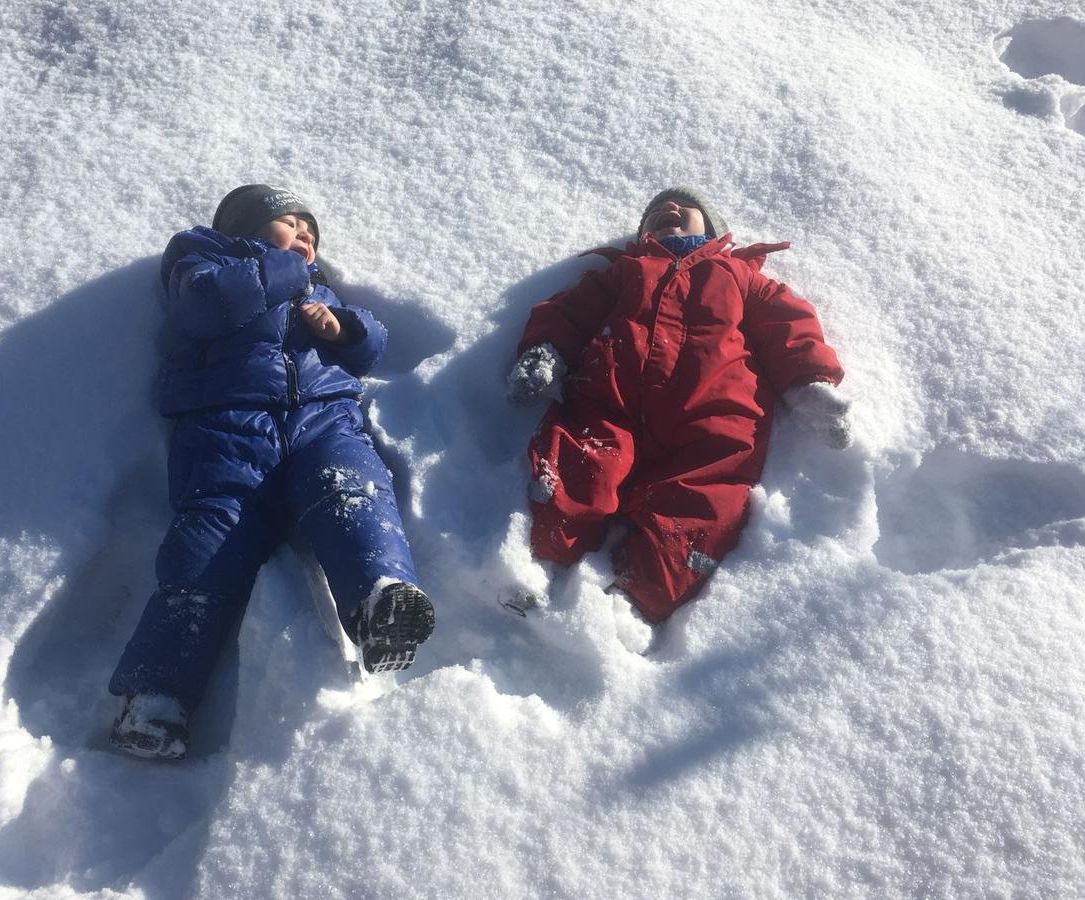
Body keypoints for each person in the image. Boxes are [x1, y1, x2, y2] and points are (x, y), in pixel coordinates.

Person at [108, 184, 435, 759]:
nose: (306, 239)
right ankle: (156, 695)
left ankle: (380, 598)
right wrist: (282, 267)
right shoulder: (203, 258)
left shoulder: (319, 292)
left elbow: (371, 346)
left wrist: (342, 327)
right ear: (246, 227)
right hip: (227, 427)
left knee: (352, 488)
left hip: (322, 421)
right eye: (292, 226)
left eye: (311, 234)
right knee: (208, 544)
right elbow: (208, 306)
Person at [506, 186, 850, 626]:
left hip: (713, 420)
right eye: (655, 212)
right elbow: (569, 311)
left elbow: (789, 326)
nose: (669, 210)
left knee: (702, 502)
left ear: (714, 230)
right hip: (609, 405)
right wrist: (545, 350)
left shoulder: (739, 275)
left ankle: (635, 602)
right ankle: (536, 563)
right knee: (576, 465)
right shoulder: (625, 271)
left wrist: (809, 384)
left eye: (686, 209)